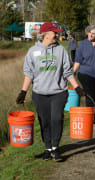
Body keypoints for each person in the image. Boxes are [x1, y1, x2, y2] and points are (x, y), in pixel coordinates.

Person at [16, 22, 85, 161]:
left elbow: (68, 72)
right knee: (44, 121)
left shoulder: (60, 51)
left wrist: (77, 87)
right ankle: (47, 148)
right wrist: (23, 92)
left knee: (56, 119)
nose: (57, 34)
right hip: (39, 93)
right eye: (54, 32)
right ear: (46, 35)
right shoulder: (32, 52)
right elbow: (29, 73)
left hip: (58, 92)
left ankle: (55, 148)